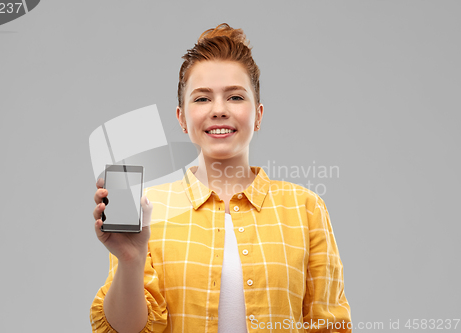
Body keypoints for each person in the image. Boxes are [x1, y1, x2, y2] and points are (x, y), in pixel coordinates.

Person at [90, 23, 351, 333]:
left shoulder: (306, 209)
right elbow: (125, 330)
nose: (219, 110)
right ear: (182, 119)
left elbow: (330, 326)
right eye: (201, 99)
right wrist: (131, 260)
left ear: (259, 115)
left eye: (236, 97)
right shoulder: (149, 210)